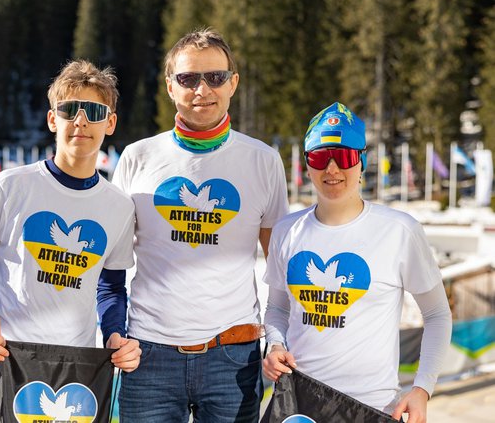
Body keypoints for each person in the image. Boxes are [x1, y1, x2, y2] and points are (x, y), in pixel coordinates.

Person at [0, 60, 141, 422]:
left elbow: (110, 288)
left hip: (74, 374)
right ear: (52, 120)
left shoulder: (119, 207)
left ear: (110, 123)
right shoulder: (11, 187)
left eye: (93, 111)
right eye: (69, 110)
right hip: (1, 365)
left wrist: (115, 335)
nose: (80, 121)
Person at [112, 28, 289, 422]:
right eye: (188, 78)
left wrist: (278, 341)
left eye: (215, 77)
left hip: (233, 357)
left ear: (233, 84)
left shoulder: (262, 161)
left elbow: (280, 270)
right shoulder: (137, 157)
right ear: (171, 86)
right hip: (148, 355)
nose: (202, 89)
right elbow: (109, 264)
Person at [262, 102, 452, 423]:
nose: (332, 170)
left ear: (361, 161)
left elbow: (437, 314)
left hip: (372, 406)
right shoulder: (286, 230)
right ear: (308, 163)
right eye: (321, 157)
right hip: (300, 402)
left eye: (345, 157)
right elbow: (278, 309)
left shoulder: (399, 230)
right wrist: (275, 346)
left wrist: (422, 389)